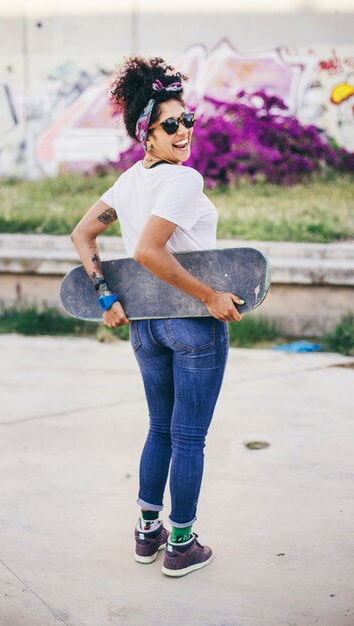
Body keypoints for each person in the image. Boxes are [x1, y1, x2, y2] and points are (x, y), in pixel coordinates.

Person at [70, 56, 243, 578]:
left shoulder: (127, 183)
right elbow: (149, 251)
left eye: (188, 120)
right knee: (188, 437)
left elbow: (82, 234)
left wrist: (106, 297)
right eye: (171, 124)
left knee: (160, 429)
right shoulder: (184, 180)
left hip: (146, 328)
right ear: (147, 133)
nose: (184, 130)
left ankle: (148, 534)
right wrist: (210, 296)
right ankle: (182, 544)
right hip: (191, 323)